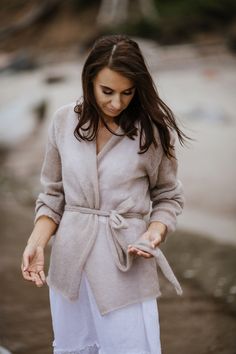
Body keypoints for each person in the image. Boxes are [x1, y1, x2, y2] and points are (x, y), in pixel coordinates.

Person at [21, 34, 188, 354]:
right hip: (70, 266)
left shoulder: (151, 130)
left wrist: (153, 234)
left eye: (127, 93)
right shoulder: (64, 121)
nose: (116, 103)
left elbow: (168, 196)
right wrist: (36, 242)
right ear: (89, 81)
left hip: (125, 263)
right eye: (107, 91)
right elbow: (54, 195)